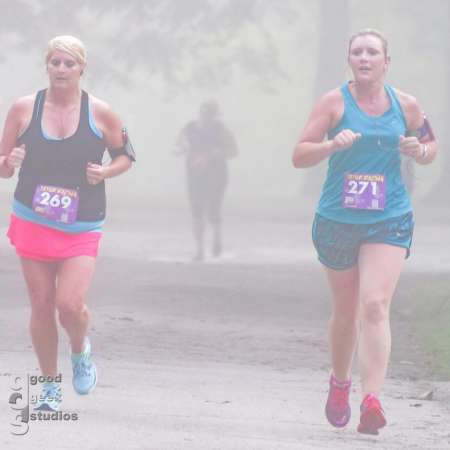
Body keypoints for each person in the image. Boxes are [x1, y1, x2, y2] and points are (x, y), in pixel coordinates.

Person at [292, 29, 437, 435]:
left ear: (386, 61)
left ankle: (372, 399)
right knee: (345, 311)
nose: (365, 57)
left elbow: (430, 145)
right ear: (350, 61)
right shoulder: (334, 103)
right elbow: (299, 155)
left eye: (373, 52)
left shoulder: (406, 105)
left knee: (374, 305)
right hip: (338, 219)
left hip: (388, 217)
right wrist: (331, 146)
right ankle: (340, 383)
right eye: (358, 52)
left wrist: (420, 152)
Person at [0, 35, 134, 411]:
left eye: (68, 64)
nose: (61, 70)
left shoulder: (102, 112)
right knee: (41, 305)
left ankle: (80, 351)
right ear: (47, 67)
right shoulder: (24, 108)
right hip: (33, 218)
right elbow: (2, 167)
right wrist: (10, 161)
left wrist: (105, 171)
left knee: (69, 305)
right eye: (55, 63)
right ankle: (49, 388)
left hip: (81, 223)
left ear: (81, 69)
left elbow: (126, 156)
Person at [175, 100, 238, 261]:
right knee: (197, 211)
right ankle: (200, 250)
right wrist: (183, 150)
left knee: (213, 209)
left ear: (214, 116)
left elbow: (233, 150)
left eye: (209, 114)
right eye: (203, 113)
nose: (205, 117)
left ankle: (217, 240)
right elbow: (178, 146)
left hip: (217, 175)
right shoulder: (189, 129)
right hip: (195, 175)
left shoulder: (221, 130)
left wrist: (217, 153)